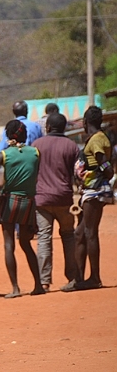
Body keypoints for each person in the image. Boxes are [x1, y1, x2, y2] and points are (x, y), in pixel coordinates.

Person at [0, 119, 43, 297]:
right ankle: (38, 285)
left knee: (9, 245)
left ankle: (15, 288)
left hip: (10, 202)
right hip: (28, 202)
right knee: (26, 243)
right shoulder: (35, 152)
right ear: (25, 135)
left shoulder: (4, 154)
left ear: (9, 135)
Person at [65, 106, 114, 291]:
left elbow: (105, 165)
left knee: (89, 233)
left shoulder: (96, 140)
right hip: (94, 191)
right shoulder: (101, 137)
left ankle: (94, 278)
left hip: (95, 192)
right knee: (81, 233)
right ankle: (79, 279)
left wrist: (100, 174)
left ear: (85, 122)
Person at [32, 113, 80, 291]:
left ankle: (44, 281)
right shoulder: (72, 146)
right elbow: (77, 173)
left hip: (42, 199)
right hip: (64, 198)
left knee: (44, 238)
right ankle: (73, 276)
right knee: (68, 236)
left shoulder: (37, 145)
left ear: (49, 127)